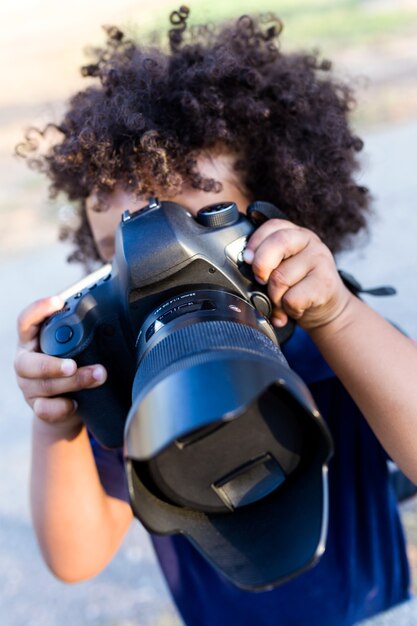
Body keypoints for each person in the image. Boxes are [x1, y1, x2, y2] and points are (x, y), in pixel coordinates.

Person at [14, 7, 417, 625]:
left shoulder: (328, 335)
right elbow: (76, 559)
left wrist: (336, 317)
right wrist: (58, 420)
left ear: (275, 217)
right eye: (113, 258)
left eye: (196, 228)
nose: (153, 269)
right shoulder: (125, 378)